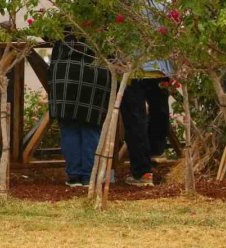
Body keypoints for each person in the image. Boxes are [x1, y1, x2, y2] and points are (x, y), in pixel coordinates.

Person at [48, 31, 111, 188]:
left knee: (69, 126)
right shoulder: (105, 15)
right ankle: (89, 175)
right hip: (95, 73)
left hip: (65, 73)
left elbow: (47, 34)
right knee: (91, 125)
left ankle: (74, 175)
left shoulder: (63, 16)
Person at [120, 59, 172, 187]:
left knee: (135, 119)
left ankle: (142, 172)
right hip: (160, 69)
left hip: (132, 69)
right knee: (159, 110)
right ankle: (157, 150)